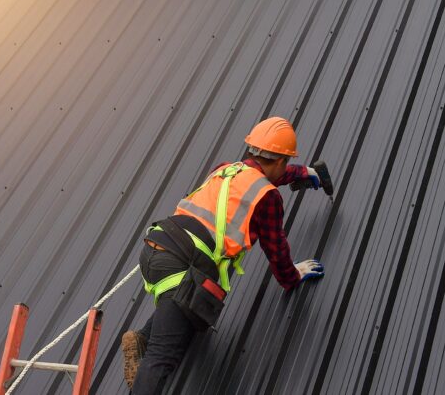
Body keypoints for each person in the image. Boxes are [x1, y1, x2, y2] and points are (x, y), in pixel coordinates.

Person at [121, 117, 330, 394]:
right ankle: (148, 346)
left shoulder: (225, 170)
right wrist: (293, 277)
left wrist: (306, 174)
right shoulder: (267, 196)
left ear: (253, 150)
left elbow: (266, 175)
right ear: (281, 160)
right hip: (182, 264)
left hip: (157, 248)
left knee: (182, 305)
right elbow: (276, 250)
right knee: (162, 357)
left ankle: (142, 338)